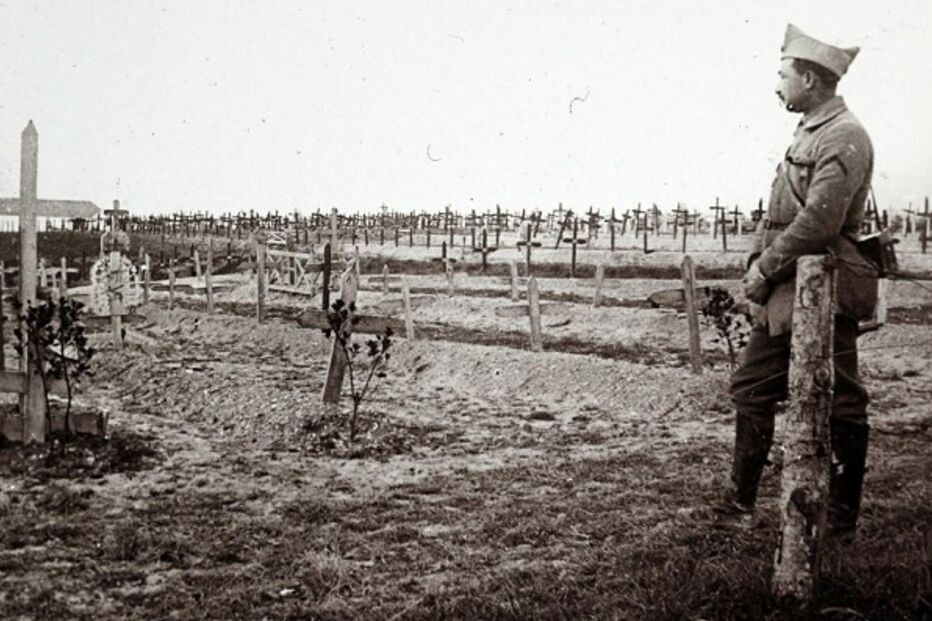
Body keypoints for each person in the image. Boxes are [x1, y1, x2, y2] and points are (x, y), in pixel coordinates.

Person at [717, 24, 879, 538]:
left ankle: (841, 521)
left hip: (823, 285)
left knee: (842, 398)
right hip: (790, 287)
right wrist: (755, 260)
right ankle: (740, 504)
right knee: (752, 386)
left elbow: (819, 223)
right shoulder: (811, 129)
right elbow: (780, 215)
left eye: (783, 75)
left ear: (809, 78)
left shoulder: (844, 135)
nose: (777, 84)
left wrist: (765, 268)